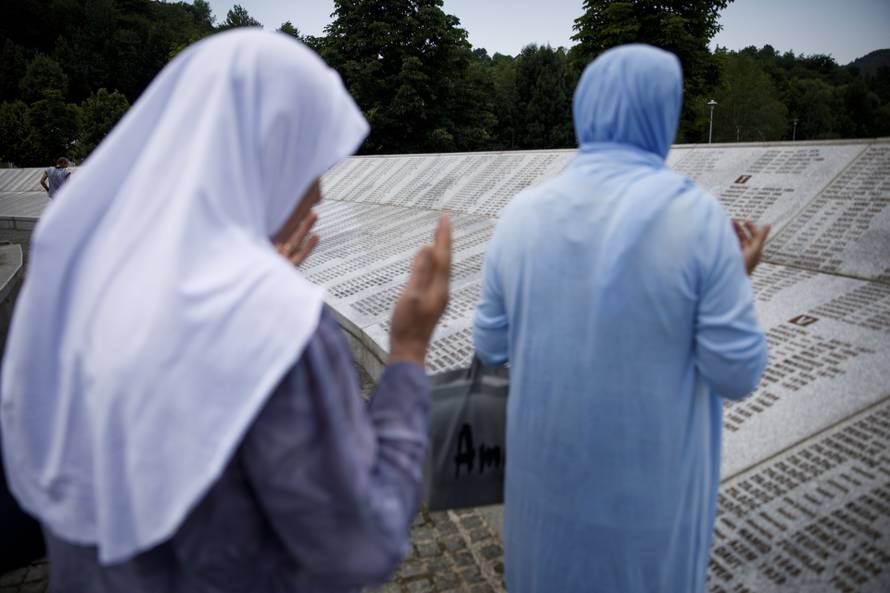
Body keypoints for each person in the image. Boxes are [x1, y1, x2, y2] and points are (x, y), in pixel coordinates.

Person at [1, 30, 451, 593]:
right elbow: (360, 545)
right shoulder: (275, 324)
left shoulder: (83, 278)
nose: (317, 194)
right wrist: (407, 352)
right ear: (265, 157)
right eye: (308, 166)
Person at [473, 44, 770, 593]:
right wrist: (734, 276)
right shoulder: (698, 218)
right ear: (663, 112)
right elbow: (736, 372)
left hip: (543, 505)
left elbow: (490, 346)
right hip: (648, 519)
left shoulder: (520, 216)